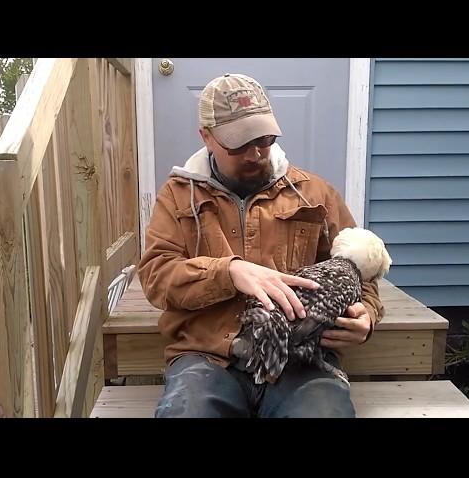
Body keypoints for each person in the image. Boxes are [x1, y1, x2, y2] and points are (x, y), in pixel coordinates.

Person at [137, 73, 384, 418]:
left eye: (264, 138)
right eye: (238, 143)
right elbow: (156, 276)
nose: (255, 153)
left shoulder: (315, 194)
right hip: (208, 356)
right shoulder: (178, 197)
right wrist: (229, 272)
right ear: (206, 137)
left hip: (300, 359)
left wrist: (366, 316)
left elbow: (363, 272)